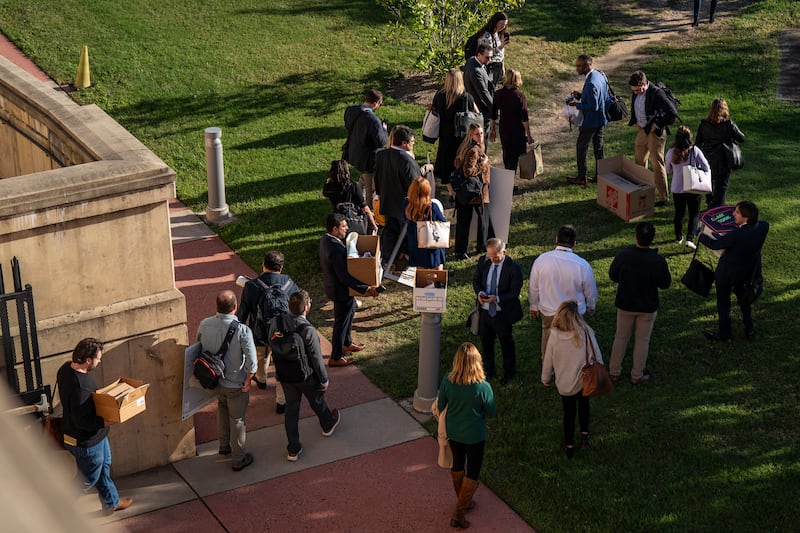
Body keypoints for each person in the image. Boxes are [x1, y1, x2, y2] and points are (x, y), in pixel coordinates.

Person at [57, 338, 133, 516]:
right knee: (87, 479)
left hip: (90, 437)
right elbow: (82, 421)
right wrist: (106, 422)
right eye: (98, 358)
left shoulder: (65, 369)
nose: (100, 361)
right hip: (87, 442)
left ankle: (111, 503)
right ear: (88, 360)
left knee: (103, 467)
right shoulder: (81, 387)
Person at [269, 290, 341, 462]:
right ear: (307, 307)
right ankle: (327, 424)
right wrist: (324, 379)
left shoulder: (275, 322)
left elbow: (271, 342)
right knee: (317, 400)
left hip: (285, 375)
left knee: (291, 412)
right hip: (306, 376)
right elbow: (316, 358)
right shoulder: (307, 329)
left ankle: (293, 449)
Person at [197, 290, 258, 471]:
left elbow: (197, 348)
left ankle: (224, 446)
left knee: (222, 410)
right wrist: (248, 380)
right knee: (237, 419)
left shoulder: (204, 324)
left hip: (214, 382)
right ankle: (238, 458)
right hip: (235, 384)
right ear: (235, 307)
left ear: (217, 306)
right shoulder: (242, 330)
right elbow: (252, 362)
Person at [437, 342, 496, 529]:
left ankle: (464, 501)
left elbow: (440, 406)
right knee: (473, 471)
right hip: (475, 435)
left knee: (457, 465)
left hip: (454, 432)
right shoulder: (483, 387)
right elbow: (491, 410)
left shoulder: (447, 380)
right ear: (477, 362)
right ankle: (459, 513)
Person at [237, 250, 301, 414]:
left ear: (263, 265)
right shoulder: (289, 283)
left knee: (260, 356)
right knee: (282, 367)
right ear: (281, 267)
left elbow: (243, 312)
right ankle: (281, 401)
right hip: (284, 334)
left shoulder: (252, 285)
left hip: (260, 333)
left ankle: (261, 379)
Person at [608, 222, 672, 384]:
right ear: (652, 239)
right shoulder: (658, 260)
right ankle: (637, 375)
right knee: (642, 340)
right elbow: (665, 283)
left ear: (635, 237)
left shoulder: (624, 255)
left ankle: (614, 372)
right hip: (647, 306)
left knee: (621, 337)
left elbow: (613, 274)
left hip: (625, 303)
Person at [699, 200, 769, 341]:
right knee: (745, 302)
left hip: (727, 274)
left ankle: (725, 335)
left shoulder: (736, 235)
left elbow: (715, 244)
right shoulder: (763, 227)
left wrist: (701, 236)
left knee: (724, 305)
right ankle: (749, 330)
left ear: (746, 218)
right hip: (747, 273)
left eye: (737, 213)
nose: (733, 214)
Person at [541, 301, 603, 459]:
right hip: (584, 381)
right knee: (584, 407)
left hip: (564, 383)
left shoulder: (554, 335)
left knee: (568, 414)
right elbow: (596, 354)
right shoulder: (585, 331)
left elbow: (548, 360)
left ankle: (569, 445)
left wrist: (545, 377)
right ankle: (584, 436)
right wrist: (600, 368)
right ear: (577, 316)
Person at [528, 225, 598, 360]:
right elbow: (591, 291)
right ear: (574, 244)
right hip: (574, 313)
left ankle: (548, 365)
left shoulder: (541, 260)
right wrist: (591, 306)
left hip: (549, 311)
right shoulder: (582, 265)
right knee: (574, 339)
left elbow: (533, 286)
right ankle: (572, 364)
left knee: (548, 337)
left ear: (556, 240)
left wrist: (533, 305)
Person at [319, 213, 380, 366]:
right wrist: (365, 289)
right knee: (341, 322)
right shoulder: (336, 249)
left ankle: (346, 343)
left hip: (335, 288)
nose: (347, 228)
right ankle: (336, 356)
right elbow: (344, 277)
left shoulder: (325, 240)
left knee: (350, 312)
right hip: (341, 291)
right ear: (334, 229)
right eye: (343, 226)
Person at [374, 125, 432, 262]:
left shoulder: (381, 154)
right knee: (407, 234)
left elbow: (377, 177)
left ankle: (389, 259)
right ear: (404, 143)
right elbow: (416, 183)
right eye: (412, 142)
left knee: (390, 231)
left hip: (387, 201)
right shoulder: (407, 160)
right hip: (404, 205)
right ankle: (407, 257)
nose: (413, 144)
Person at [472, 238, 523, 384]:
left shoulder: (513, 268)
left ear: (504, 252)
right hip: (485, 312)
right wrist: (480, 292)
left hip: (502, 313)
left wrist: (498, 298)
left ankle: (509, 373)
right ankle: (489, 370)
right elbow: (476, 280)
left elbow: (514, 292)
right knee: (486, 343)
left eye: (495, 256)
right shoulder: (484, 261)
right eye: (490, 256)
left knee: (506, 343)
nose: (492, 259)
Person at [627, 70, 679, 206]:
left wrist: (656, 125)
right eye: (633, 91)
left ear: (644, 84)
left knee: (657, 164)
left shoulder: (657, 93)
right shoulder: (636, 92)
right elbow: (635, 108)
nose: (636, 93)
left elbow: (672, 113)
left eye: (638, 90)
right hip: (643, 130)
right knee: (639, 161)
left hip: (655, 132)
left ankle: (663, 198)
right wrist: (635, 122)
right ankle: (643, 194)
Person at [451, 123, 492, 260]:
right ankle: (480, 246)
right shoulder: (474, 150)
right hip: (475, 192)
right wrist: (483, 164)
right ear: (471, 135)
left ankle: (460, 251)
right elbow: (468, 171)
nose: (480, 136)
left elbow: (457, 163)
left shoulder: (465, 147)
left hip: (465, 192)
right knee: (482, 220)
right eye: (477, 134)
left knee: (464, 222)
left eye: (481, 133)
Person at [566, 54, 609, 186]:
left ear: (587, 65)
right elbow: (599, 96)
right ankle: (600, 176)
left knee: (581, 148)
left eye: (579, 66)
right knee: (598, 149)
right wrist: (580, 96)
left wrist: (576, 104)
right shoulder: (599, 75)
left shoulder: (590, 83)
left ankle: (582, 177)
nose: (577, 68)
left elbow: (593, 106)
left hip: (590, 122)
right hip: (601, 119)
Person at [665, 125, 710, 249]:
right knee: (694, 214)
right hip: (693, 187)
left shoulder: (670, 152)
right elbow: (706, 166)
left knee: (679, 214)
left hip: (677, 188)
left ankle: (678, 237)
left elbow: (667, 170)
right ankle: (690, 238)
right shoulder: (695, 151)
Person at [695, 97, 745, 208]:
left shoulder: (704, 124)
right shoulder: (728, 124)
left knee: (709, 183)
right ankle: (717, 210)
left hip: (707, 159)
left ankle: (710, 204)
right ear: (725, 109)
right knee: (721, 187)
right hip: (724, 159)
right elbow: (742, 138)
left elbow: (697, 143)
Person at [343, 88, 389, 205]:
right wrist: (384, 129)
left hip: (354, 152)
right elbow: (382, 142)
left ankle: (356, 197)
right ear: (375, 103)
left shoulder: (350, 110)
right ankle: (368, 213)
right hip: (368, 160)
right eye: (379, 104)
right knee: (370, 188)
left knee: (363, 179)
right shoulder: (373, 120)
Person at [433, 69, 478, 184]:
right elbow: (476, 113)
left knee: (446, 156)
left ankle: (448, 183)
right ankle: (459, 180)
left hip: (445, 132)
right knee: (459, 156)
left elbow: (435, 110)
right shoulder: (466, 97)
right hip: (461, 133)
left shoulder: (440, 95)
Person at [490, 68, 534, 172]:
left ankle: (508, 179)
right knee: (516, 156)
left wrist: (492, 129)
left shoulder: (498, 94)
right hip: (517, 130)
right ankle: (510, 182)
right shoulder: (520, 96)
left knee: (507, 152)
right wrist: (528, 134)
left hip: (504, 128)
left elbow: (493, 114)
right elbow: (524, 118)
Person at [323, 159, 378, 234]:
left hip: (338, 220)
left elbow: (325, 193)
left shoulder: (329, 188)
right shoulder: (353, 187)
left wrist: (328, 181)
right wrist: (373, 224)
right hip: (354, 220)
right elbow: (365, 209)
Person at [403, 176, 447, 269]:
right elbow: (443, 221)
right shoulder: (432, 206)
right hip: (431, 244)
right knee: (437, 269)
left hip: (415, 243)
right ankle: (439, 283)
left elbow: (404, 219)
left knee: (420, 272)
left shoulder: (407, 205)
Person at [463, 43, 494, 143]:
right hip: (480, 108)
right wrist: (494, 107)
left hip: (476, 105)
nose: (489, 60)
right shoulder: (476, 70)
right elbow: (483, 93)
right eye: (487, 57)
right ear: (479, 55)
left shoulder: (472, 60)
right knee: (482, 138)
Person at [477, 12, 510, 85]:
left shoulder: (497, 34)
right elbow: (487, 54)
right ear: (495, 22)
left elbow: (500, 54)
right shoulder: (486, 35)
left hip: (497, 66)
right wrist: (500, 47)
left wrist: (502, 66)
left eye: (505, 25)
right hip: (489, 67)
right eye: (501, 24)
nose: (503, 27)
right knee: (489, 86)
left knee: (492, 87)